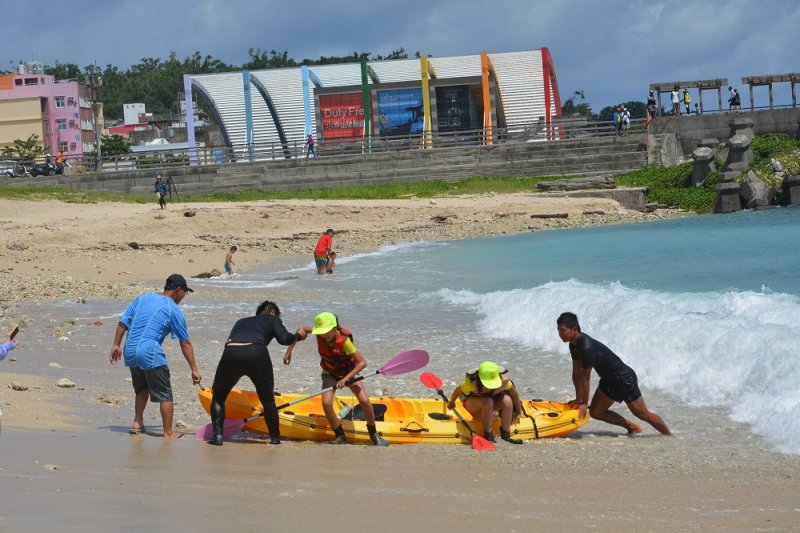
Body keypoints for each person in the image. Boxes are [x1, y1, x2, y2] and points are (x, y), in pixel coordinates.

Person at [109, 274, 201, 439]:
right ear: (178, 290)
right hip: (149, 352)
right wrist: (194, 369)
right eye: (185, 293)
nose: (184, 297)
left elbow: (124, 321)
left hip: (130, 350)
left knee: (142, 388)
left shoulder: (144, 298)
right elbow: (185, 342)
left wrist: (116, 345)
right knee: (165, 394)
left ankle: (137, 423)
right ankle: (168, 433)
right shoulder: (173, 308)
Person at [206, 300, 307, 446]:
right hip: (256, 353)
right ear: (273, 312)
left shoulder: (241, 321)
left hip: (231, 352)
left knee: (218, 397)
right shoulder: (273, 318)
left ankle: (218, 437)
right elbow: (284, 339)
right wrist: (298, 336)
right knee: (267, 401)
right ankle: (274, 439)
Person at [556, 312, 672, 437]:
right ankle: (632, 427)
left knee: (642, 413)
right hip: (609, 380)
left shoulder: (586, 347)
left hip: (623, 378)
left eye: (563, 330)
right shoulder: (573, 345)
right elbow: (576, 373)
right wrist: (579, 399)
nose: (560, 334)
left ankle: (669, 435)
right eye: (558, 330)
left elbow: (585, 377)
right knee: (596, 412)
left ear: (574, 329)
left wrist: (584, 403)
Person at [283, 312, 389, 446]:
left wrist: (345, 379)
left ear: (335, 328)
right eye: (321, 332)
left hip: (349, 372)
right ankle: (340, 435)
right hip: (330, 372)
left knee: (364, 400)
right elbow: (301, 330)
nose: (323, 335)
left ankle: (373, 433)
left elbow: (362, 362)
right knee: (326, 403)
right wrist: (289, 351)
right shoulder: (318, 333)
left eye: (326, 332)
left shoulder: (345, 342)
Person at [447, 361, 524, 444]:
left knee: (507, 400)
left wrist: (518, 411)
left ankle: (506, 435)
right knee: (488, 401)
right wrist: (452, 402)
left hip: (490, 404)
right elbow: (458, 390)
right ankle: (488, 435)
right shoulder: (471, 383)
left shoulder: (503, 381)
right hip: (472, 405)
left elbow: (515, 394)